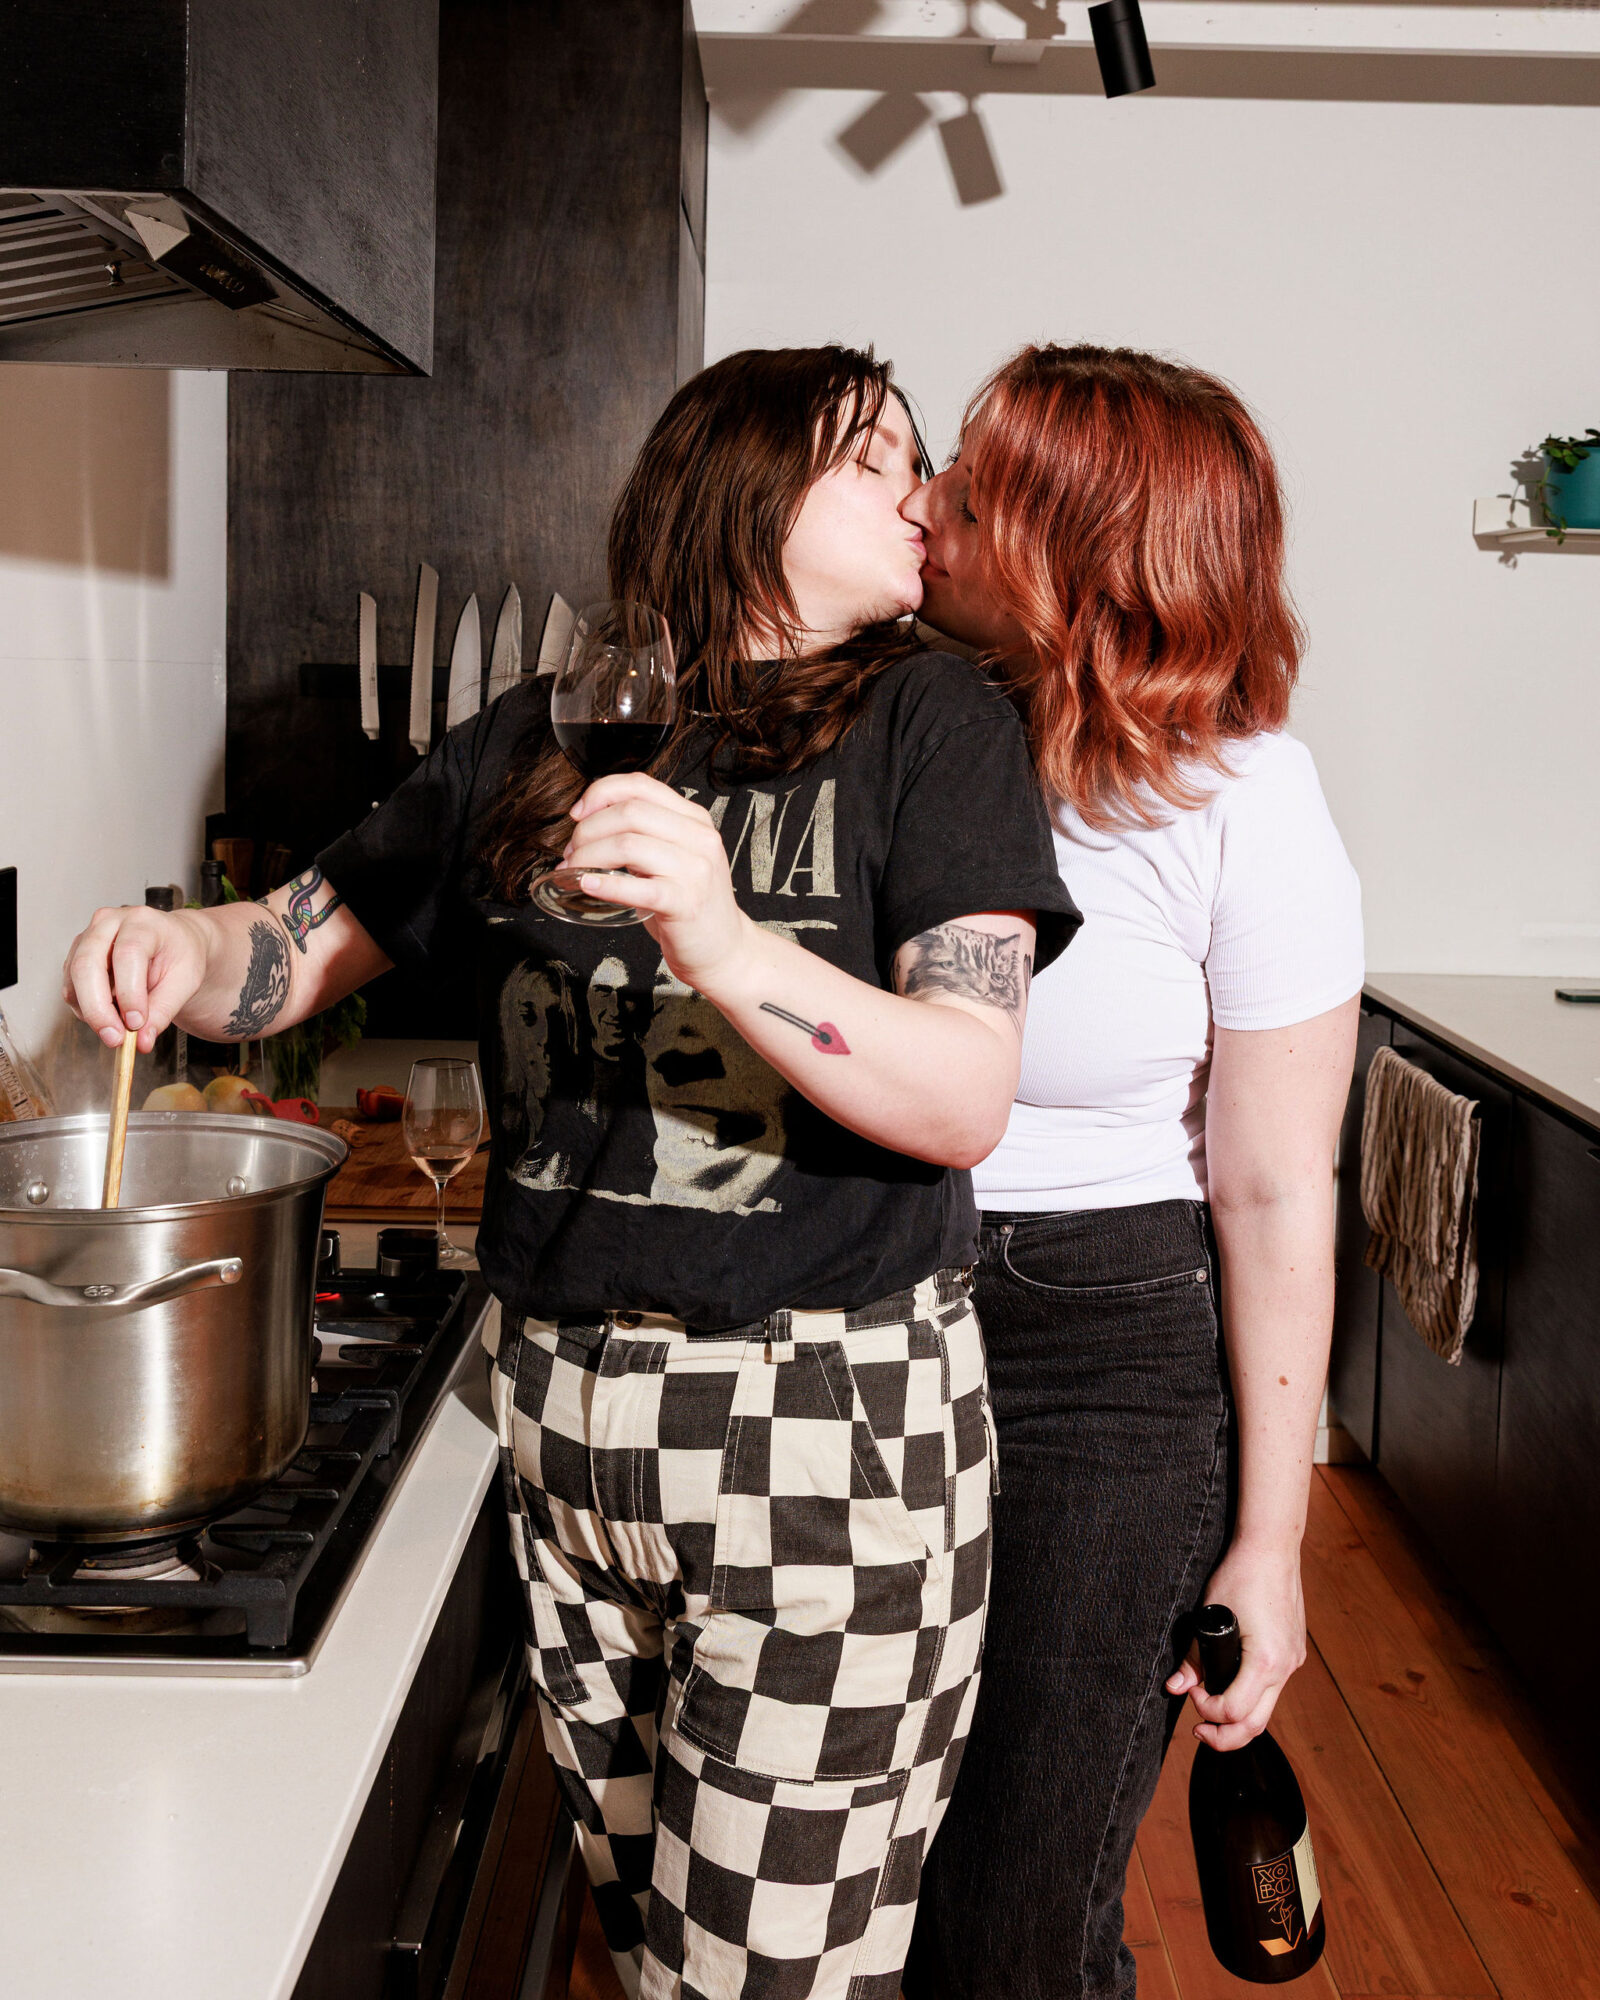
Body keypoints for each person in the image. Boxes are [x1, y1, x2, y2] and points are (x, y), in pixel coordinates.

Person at [62, 345, 1080, 2000]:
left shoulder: (935, 725)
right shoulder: (535, 737)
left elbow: (966, 1096)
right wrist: (171, 951)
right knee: (646, 1956)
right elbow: (291, 947)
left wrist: (722, 935)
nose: (926, 492)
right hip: (557, 1418)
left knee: (762, 1984)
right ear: (743, 489)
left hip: (820, 1423)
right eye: (878, 455)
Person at [899, 344, 1363, 2000]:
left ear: (1083, 544)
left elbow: (1273, 1190)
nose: (927, 505)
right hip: (872, 1315)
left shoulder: (1248, 801)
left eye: (973, 481)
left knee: (1017, 1906)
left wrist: (1272, 1543)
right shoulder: (902, 729)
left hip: (1103, 1354)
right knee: (863, 1878)